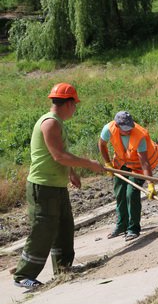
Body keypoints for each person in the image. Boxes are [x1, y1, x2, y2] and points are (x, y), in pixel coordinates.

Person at [13, 83, 104, 290]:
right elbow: (59, 155)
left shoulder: (58, 123)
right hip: (42, 187)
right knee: (43, 229)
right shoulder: (50, 123)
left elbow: (60, 154)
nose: (75, 109)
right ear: (69, 103)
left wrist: (72, 172)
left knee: (64, 226)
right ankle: (23, 275)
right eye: (75, 104)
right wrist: (89, 164)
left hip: (56, 185)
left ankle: (63, 268)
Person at [98, 111, 158, 241]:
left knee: (131, 193)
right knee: (120, 192)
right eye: (124, 129)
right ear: (117, 125)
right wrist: (108, 163)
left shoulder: (140, 135)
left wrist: (150, 184)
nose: (128, 131)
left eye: (129, 128)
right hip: (122, 161)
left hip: (139, 166)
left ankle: (133, 229)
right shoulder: (108, 129)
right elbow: (102, 144)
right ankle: (122, 225)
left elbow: (144, 162)